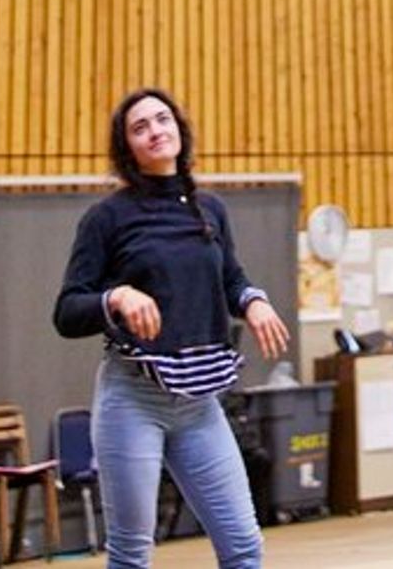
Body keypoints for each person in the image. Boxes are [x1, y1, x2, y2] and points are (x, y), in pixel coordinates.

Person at [53, 89, 289, 568]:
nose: (155, 131)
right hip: (133, 401)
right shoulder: (107, 218)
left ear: (179, 129)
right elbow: (67, 311)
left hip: (199, 403)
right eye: (140, 127)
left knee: (244, 548)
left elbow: (231, 279)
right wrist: (116, 297)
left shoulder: (210, 209)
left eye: (163, 119)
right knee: (131, 555)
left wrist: (254, 301)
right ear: (127, 148)